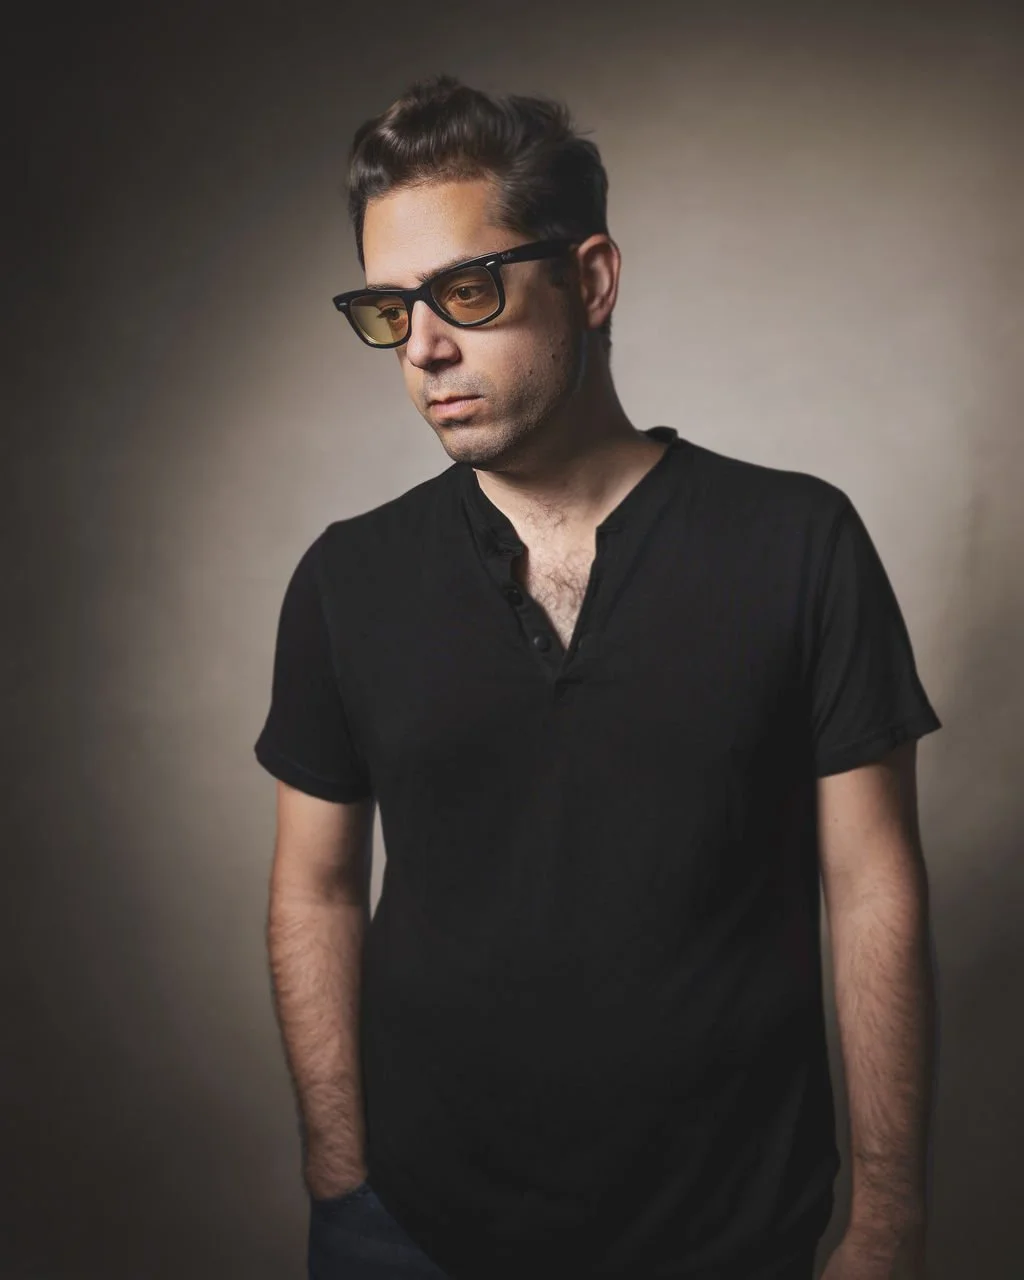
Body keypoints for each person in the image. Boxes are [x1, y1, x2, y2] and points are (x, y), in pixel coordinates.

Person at [254, 74, 941, 1280]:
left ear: (592, 277)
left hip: (733, 1235)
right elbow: (314, 888)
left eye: (465, 289)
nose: (421, 345)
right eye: (388, 307)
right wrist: (339, 1172)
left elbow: (872, 884)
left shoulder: (798, 541)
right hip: (411, 1231)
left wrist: (883, 1218)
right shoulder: (343, 578)